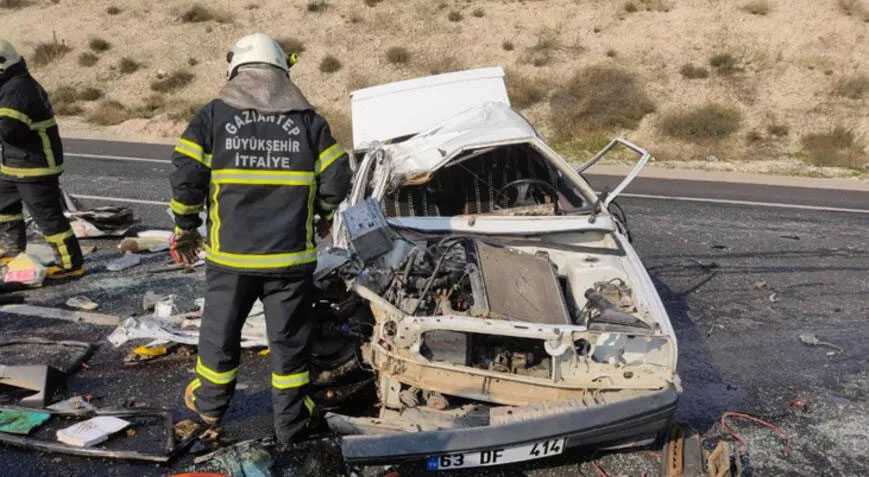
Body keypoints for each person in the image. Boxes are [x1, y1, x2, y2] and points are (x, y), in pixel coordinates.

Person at [169, 33, 351, 445]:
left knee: (220, 334)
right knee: (289, 344)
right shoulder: (309, 121)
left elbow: (186, 173)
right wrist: (321, 214)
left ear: (235, 70)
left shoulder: (213, 116)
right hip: (289, 259)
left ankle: (210, 408)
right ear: (282, 71)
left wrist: (185, 227)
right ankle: (291, 425)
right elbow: (338, 176)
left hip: (231, 259)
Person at [0, 39, 83, 278]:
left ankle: (71, 265)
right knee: (4, 206)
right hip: (14, 164)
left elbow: (10, 131)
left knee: (48, 218)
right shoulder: (10, 85)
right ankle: (12, 251)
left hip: (35, 166)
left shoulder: (18, 90)